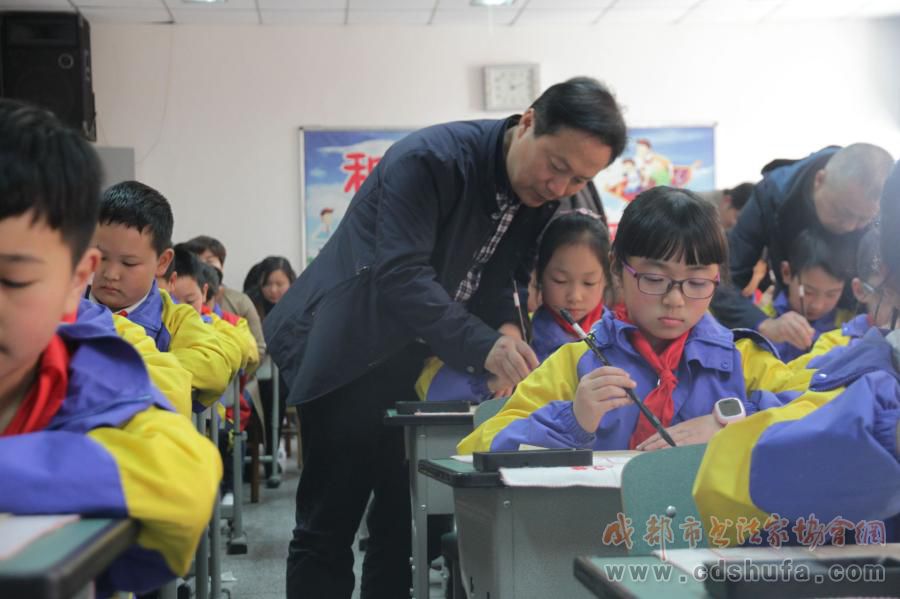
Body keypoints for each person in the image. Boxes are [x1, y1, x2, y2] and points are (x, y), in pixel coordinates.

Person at [263, 76, 627, 598]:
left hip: (419, 363)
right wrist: (485, 345)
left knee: (401, 524)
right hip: (347, 355)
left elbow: (505, 273)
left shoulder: (543, 195)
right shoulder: (431, 161)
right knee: (329, 524)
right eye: (556, 166)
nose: (558, 188)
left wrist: (505, 324)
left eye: (578, 181)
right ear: (527, 122)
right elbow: (402, 275)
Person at [0, 99, 221, 595]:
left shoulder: (117, 350)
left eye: (12, 280)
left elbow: (184, 463)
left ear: (72, 282)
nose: (114, 275)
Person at [457, 187, 789, 454]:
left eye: (697, 283)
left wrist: (734, 420)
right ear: (617, 270)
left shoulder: (743, 360)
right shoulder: (576, 364)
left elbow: (823, 408)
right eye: (654, 279)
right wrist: (573, 420)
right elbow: (480, 448)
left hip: (717, 536)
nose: (675, 299)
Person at [692, 161, 900, 546]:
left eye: (861, 220)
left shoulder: (863, 375)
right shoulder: (854, 368)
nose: (849, 226)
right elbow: (801, 387)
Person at [416, 210, 610, 403]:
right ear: (538, 274)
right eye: (560, 280)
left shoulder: (622, 336)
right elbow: (434, 390)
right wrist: (491, 382)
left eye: (589, 282)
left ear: (608, 278)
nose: (574, 297)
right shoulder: (516, 338)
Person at [710, 144, 894, 344]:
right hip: (787, 316)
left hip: (854, 325)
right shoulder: (772, 195)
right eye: (841, 212)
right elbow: (722, 279)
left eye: (863, 220)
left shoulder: (887, 214)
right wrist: (763, 324)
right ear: (819, 180)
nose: (850, 226)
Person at [90, 181, 237, 409]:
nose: (110, 274)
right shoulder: (64, 305)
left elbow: (213, 368)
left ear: (162, 262)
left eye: (128, 263)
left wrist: (116, 368)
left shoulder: (175, 318)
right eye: (100, 257)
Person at [760, 229, 854, 362]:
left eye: (831, 294)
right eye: (809, 292)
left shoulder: (850, 326)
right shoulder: (764, 319)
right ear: (787, 273)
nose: (818, 305)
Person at [184, 234, 266, 363]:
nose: (203, 267)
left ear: (221, 265)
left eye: (209, 261)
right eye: (197, 261)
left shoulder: (240, 302)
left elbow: (259, 349)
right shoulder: (177, 301)